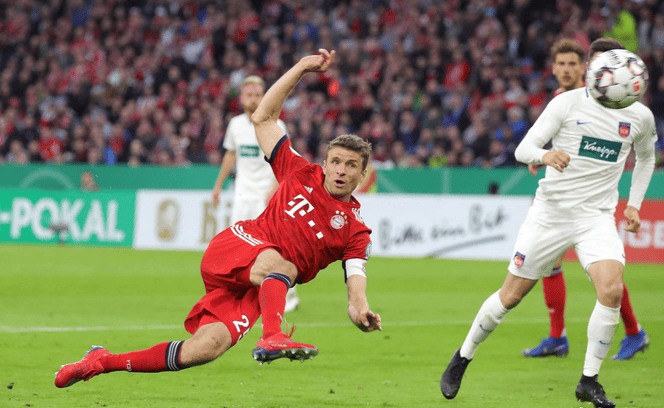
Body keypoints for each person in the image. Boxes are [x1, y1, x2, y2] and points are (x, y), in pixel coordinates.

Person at [55, 49, 382, 389]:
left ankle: (100, 362)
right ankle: (273, 336)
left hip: (259, 286)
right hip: (238, 247)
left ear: (363, 175)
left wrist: (359, 309)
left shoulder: (356, 232)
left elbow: (356, 282)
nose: (341, 170)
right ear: (325, 164)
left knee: (204, 349)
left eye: (351, 165)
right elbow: (263, 119)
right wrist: (300, 67)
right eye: (336, 161)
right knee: (283, 264)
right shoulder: (299, 171)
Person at [440, 38, 657, 408]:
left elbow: (647, 158)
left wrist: (634, 205)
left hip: (596, 217)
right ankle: (463, 356)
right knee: (511, 296)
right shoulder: (566, 103)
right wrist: (545, 155)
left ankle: (589, 381)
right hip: (551, 214)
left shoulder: (640, 117)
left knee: (611, 290)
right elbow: (523, 149)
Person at [523, 39, 650, 360]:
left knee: (604, 275)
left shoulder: (604, 99)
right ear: (553, 68)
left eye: (572, 64)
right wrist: (541, 155)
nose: (566, 70)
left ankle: (630, 331)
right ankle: (559, 337)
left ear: (584, 68)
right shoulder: (561, 99)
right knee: (553, 264)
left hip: (592, 202)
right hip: (562, 196)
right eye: (561, 64)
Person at [211, 75, 301, 313]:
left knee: (273, 247)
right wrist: (218, 186)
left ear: (264, 97)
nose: (253, 100)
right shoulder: (235, 125)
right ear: (241, 98)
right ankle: (239, 293)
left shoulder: (276, 126)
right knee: (238, 245)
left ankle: (289, 295)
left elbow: (284, 161)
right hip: (242, 195)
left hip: (266, 196)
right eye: (249, 95)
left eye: (258, 95)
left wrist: (274, 190)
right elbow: (231, 155)